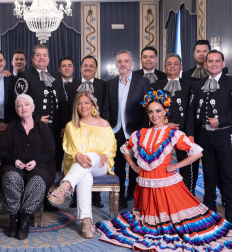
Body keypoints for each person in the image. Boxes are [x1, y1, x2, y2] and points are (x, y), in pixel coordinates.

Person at [95, 90, 232, 251]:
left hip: (167, 184)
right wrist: (134, 166)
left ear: (165, 111)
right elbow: (125, 148)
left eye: (158, 111)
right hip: (146, 185)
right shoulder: (140, 134)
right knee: (145, 220)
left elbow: (197, 153)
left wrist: (176, 166)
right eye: (151, 112)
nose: (154, 115)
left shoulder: (173, 133)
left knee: (180, 222)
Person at [186, 50, 232, 225]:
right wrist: (190, 134)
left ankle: (231, 214)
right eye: (210, 61)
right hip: (203, 136)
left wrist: (220, 121)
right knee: (209, 174)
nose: (213, 64)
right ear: (205, 65)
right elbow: (191, 111)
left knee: (228, 174)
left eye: (217, 61)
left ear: (223, 63)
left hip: (224, 135)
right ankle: (210, 210)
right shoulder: (197, 86)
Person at [48, 91, 116, 238]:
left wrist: (106, 155)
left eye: (86, 102)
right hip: (77, 164)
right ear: (75, 107)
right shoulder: (71, 126)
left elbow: (111, 146)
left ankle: (65, 186)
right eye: (79, 103)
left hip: (100, 165)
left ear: (93, 105)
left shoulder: (104, 124)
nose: (83, 106)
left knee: (91, 156)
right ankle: (86, 221)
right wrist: (78, 155)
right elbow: (70, 148)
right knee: (85, 177)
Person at [14, 44, 68, 211]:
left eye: (45, 55)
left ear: (49, 59)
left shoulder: (56, 76)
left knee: (53, 163)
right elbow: (18, 103)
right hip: (34, 129)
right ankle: (32, 200)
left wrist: (64, 125)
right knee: (36, 163)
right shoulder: (25, 75)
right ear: (32, 58)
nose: (42, 58)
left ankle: (44, 198)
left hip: (55, 130)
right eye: (38, 55)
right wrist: (36, 118)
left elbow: (63, 103)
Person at [0, 94, 56, 240]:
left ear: (33, 107)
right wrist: (14, 161)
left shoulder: (43, 127)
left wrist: (36, 161)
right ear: (16, 110)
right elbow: (2, 152)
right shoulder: (11, 127)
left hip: (40, 165)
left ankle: (25, 219)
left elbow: (50, 151)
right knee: (10, 176)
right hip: (15, 166)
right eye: (19, 105)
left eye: (26, 105)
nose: (23, 108)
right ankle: (14, 217)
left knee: (37, 179)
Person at [102, 50, 150, 209]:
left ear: (132, 63)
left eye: (126, 61)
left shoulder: (142, 82)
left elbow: (146, 109)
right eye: (119, 61)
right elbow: (106, 108)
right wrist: (108, 128)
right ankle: (120, 195)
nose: (122, 64)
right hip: (116, 131)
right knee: (119, 165)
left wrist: (140, 131)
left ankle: (134, 193)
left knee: (136, 164)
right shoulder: (110, 83)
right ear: (116, 64)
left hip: (136, 132)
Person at [65, 56, 108, 208]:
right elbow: (67, 107)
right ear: (81, 68)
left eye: (91, 66)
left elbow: (106, 106)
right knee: (79, 156)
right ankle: (75, 196)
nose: (88, 68)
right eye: (85, 66)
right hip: (78, 127)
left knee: (93, 156)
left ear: (96, 69)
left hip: (97, 129)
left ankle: (96, 197)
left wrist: (103, 126)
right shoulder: (72, 85)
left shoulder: (103, 85)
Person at [151, 53, 196, 194]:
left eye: (175, 64)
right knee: (161, 162)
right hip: (162, 130)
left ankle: (188, 192)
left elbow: (191, 110)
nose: (172, 66)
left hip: (183, 130)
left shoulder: (190, 85)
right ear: (164, 67)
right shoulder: (156, 85)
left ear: (181, 67)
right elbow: (153, 109)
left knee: (186, 164)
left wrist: (188, 132)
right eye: (169, 64)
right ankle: (164, 191)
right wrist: (165, 124)